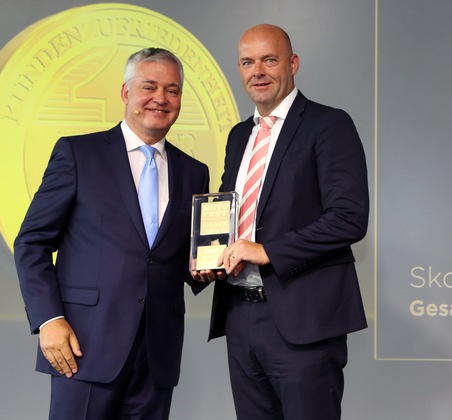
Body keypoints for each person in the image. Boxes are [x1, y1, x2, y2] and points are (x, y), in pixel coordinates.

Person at [13, 47, 209, 420]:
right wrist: (48, 319)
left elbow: (174, 257)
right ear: (125, 92)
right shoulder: (78, 153)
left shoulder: (194, 172)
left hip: (157, 355)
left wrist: (206, 268)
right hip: (84, 346)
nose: (161, 98)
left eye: (172, 90)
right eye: (149, 87)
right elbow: (31, 242)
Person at [198, 24, 369, 419]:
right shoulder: (239, 136)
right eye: (247, 62)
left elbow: (349, 218)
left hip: (304, 320)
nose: (257, 71)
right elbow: (230, 212)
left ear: (292, 63)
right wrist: (208, 258)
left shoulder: (328, 124)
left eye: (269, 60)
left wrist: (268, 251)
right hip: (240, 315)